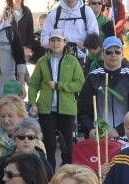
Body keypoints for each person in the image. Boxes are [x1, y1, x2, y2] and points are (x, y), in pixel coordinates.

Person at [28, 28, 86, 169]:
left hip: (67, 109)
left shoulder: (72, 61)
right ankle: (49, 176)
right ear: (49, 43)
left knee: (67, 145)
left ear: (64, 42)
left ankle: (67, 172)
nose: (55, 43)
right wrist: (33, 102)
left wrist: (60, 85)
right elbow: (34, 84)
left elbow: (80, 83)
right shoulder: (42, 61)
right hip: (46, 110)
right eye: (52, 40)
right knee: (50, 145)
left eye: (58, 40)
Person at [78, 36, 129, 139]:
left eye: (117, 52)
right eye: (109, 52)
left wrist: (118, 130)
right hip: (99, 136)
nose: (113, 55)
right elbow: (83, 109)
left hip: (125, 136)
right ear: (103, 54)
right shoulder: (93, 77)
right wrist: (90, 128)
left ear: (122, 54)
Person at [0, 119, 54, 184]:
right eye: (21, 137)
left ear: (36, 140)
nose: (26, 140)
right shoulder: (4, 161)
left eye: (31, 137)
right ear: (15, 139)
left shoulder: (43, 163)